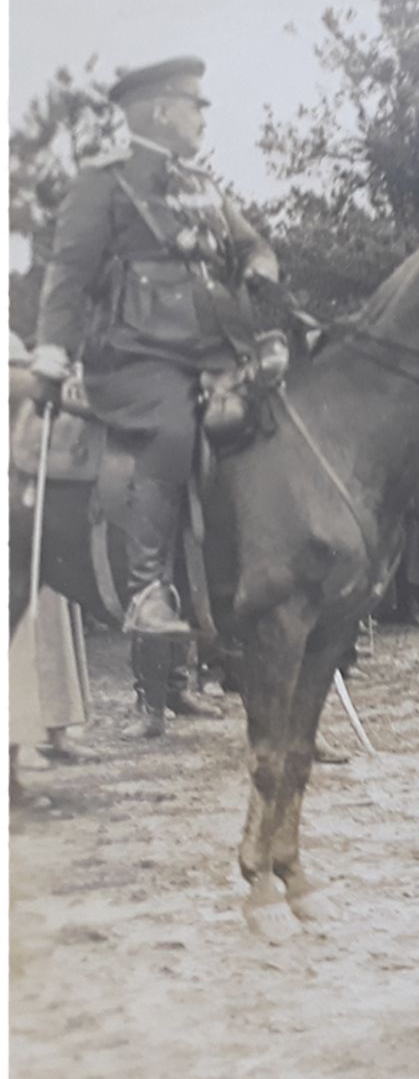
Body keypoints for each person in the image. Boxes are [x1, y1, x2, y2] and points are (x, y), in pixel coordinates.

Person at [28, 56, 284, 738]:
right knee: (171, 430)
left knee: (266, 435)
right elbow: (66, 277)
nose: (203, 116)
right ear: (161, 110)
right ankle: (144, 591)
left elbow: (249, 238)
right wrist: (51, 353)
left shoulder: (201, 183)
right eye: (195, 104)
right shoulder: (104, 183)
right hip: (133, 357)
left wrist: (258, 263)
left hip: (212, 351)